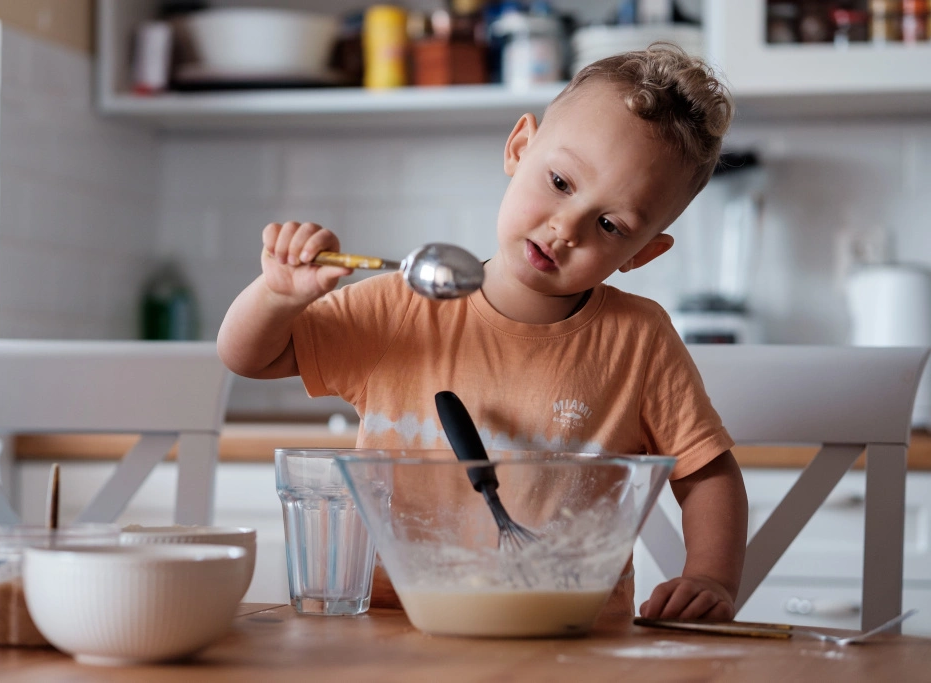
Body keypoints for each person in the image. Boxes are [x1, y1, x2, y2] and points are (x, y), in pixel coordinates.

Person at [218, 43, 748, 622]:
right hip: (399, 627)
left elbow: (708, 475)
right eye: (561, 182)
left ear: (642, 253)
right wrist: (278, 295)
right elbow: (251, 357)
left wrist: (709, 577)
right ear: (519, 149)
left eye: (608, 224)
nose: (565, 227)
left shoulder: (638, 340)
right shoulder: (403, 306)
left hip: (570, 634)